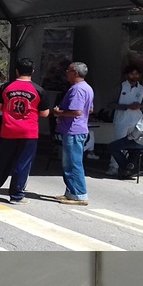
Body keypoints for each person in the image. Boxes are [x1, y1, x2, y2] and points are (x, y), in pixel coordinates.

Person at [0, 58, 51, 204]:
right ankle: (16, 195)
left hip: (8, 130)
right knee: (23, 163)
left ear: (16, 71)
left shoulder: (6, 87)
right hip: (29, 133)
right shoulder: (39, 89)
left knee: (1, 161)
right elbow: (45, 113)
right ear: (32, 71)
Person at [50, 61, 94, 205]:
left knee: (72, 163)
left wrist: (59, 112)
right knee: (70, 162)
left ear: (75, 73)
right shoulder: (86, 88)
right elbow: (90, 109)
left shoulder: (77, 89)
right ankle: (71, 191)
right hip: (77, 128)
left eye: (68, 70)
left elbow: (77, 111)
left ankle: (79, 194)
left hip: (73, 130)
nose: (66, 73)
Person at [106, 66, 143, 175]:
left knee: (132, 145)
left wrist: (140, 106)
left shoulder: (142, 89)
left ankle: (128, 167)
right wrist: (126, 106)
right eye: (132, 74)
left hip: (136, 120)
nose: (134, 76)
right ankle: (114, 167)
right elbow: (110, 104)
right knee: (118, 144)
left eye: (136, 74)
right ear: (127, 75)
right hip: (121, 120)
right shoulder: (120, 87)